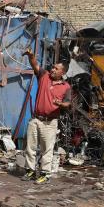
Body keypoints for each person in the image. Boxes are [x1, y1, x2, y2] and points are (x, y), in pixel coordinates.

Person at [22, 48, 71, 184]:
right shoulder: (44, 76)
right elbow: (35, 65)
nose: (53, 70)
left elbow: (68, 103)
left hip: (50, 123)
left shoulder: (66, 87)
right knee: (30, 147)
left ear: (63, 72)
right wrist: (31, 56)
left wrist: (60, 103)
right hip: (36, 119)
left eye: (56, 69)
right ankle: (30, 170)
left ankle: (44, 174)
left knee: (46, 149)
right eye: (53, 67)